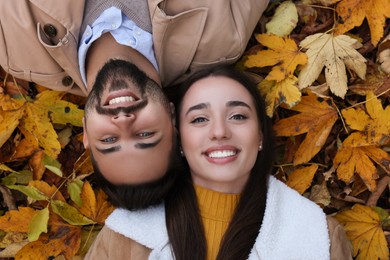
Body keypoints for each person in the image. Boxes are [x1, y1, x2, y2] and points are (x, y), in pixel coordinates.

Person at [85, 65, 353, 259]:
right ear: (178, 137)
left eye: (237, 116)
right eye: (199, 119)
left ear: (260, 135)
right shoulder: (124, 238)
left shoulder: (320, 238)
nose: (219, 131)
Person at [0, 0, 270, 188]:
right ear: (173, 119)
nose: (124, 120)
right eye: (145, 134)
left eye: (108, 139)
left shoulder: (15, 51)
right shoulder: (223, 38)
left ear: (85, 131)